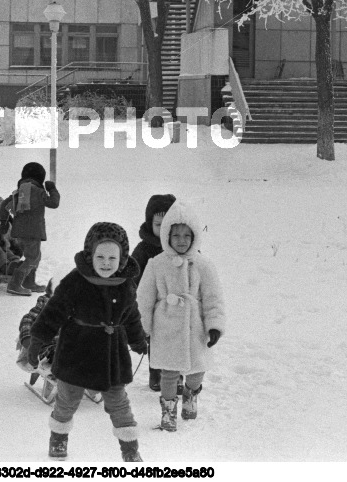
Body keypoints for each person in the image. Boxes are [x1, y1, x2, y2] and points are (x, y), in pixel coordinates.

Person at [27, 222, 146, 462]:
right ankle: (58, 437)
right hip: (77, 351)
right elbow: (53, 311)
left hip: (112, 354)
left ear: (122, 259)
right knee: (68, 398)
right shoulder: (76, 281)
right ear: (90, 255)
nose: (105, 262)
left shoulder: (125, 284)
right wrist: (38, 339)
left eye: (112, 257)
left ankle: (130, 448)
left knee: (118, 401)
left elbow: (131, 315)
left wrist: (137, 339)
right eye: (100, 256)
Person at [136, 202, 225, 432]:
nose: (182, 240)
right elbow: (144, 298)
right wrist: (142, 327)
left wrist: (214, 325)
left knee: (198, 370)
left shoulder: (203, 265)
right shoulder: (156, 264)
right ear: (167, 235)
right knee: (168, 371)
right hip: (166, 325)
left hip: (195, 327)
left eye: (187, 235)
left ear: (195, 236)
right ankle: (168, 411)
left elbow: (213, 297)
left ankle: (190, 394)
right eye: (176, 235)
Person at [131, 194, 176, 392]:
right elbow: (131, 275)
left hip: (177, 308)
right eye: (159, 224)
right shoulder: (143, 250)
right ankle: (155, 373)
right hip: (153, 306)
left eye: (169, 223)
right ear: (150, 224)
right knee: (156, 341)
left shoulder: (183, 247)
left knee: (178, 340)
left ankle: (177, 374)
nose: (164, 229)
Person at [1, 162, 60, 296]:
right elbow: (54, 203)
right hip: (33, 231)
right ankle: (15, 284)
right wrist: (51, 189)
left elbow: (4, 204)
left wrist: (3, 222)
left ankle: (29, 282)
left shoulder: (20, 191)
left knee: (34, 257)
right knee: (32, 258)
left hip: (19, 232)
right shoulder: (39, 191)